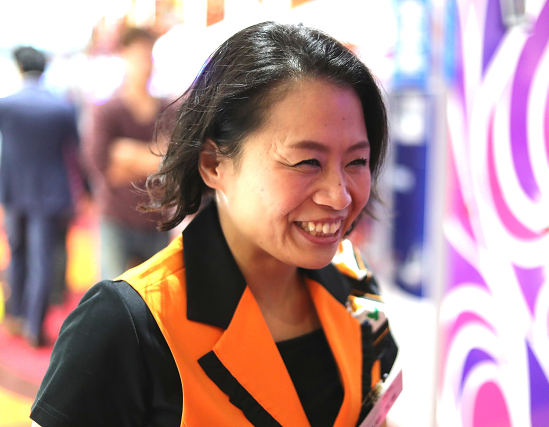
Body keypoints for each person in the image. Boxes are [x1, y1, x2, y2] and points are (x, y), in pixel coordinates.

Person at [31, 21, 398, 427]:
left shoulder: (352, 279)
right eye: (307, 162)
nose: (340, 196)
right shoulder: (127, 324)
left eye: (357, 161)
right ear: (214, 164)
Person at [0, 46, 79, 347]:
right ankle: (35, 325)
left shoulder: (6, 105)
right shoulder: (62, 107)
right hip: (50, 193)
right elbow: (75, 151)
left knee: (16, 253)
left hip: (12, 190)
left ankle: (15, 315)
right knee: (42, 259)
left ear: (19, 68)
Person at [83, 26, 171, 281]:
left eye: (149, 54)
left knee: (156, 296)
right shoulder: (107, 111)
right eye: (138, 54)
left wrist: (126, 153)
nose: (145, 63)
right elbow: (102, 168)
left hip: (157, 220)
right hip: (116, 218)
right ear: (124, 56)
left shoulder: (169, 109)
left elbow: (174, 164)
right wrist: (155, 159)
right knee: (112, 294)